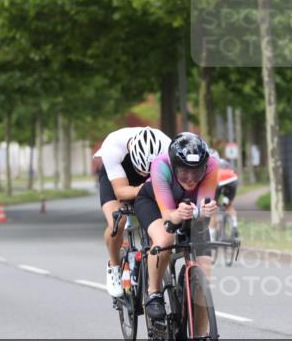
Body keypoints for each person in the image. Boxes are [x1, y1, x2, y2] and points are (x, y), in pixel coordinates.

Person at [133, 132, 218, 326]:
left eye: (197, 171)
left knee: (204, 267)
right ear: (174, 166)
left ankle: (201, 339)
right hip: (154, 203)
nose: (190, 178)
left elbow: (203, 211)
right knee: (164, 241)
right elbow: (168, 216)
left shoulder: (212, 165)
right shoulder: (160, 165)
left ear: (205, 166)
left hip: (186, 207)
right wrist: (178, 215)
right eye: (183, 172)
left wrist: (207, 210)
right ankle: (153, 293)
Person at [91, 127, 170, 298]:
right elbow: (121, 192)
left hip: (154, 175)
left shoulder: (166, 145)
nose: (144, 174)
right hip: (118, 178)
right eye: (142, 170)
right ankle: (114, 266)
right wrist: (146, 187)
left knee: (159, 222)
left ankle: (153, 274)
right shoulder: (113, 147)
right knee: (116, 222)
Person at [209, 155, 239, 242]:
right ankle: (234, 225)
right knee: (228, 205)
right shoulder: (226, 163)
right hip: (233, 182)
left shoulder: (213, 163)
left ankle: (211, 237)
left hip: (219, 183)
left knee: (213, 209)